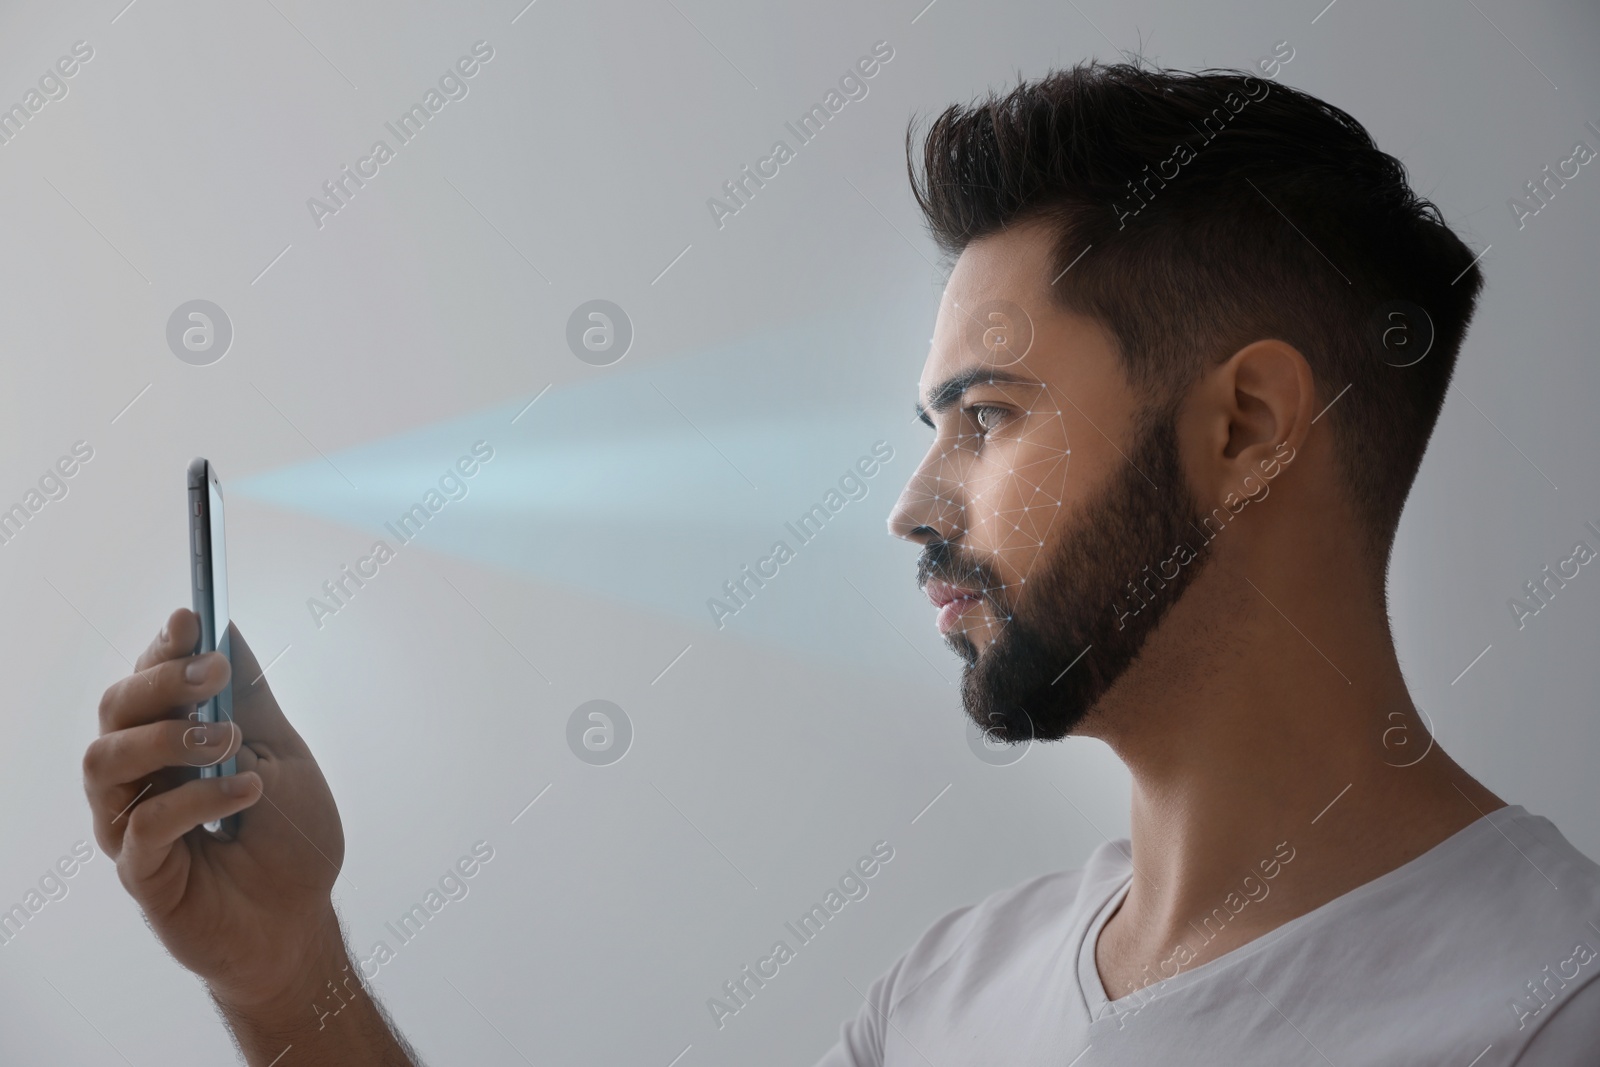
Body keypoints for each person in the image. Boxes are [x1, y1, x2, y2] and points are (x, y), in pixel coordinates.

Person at [83, 62, 1600, 1065]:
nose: (913, 507)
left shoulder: (1545, 1011)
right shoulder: (949, 998)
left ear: (1249, 426)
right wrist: (287, 973)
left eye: (986, 419)